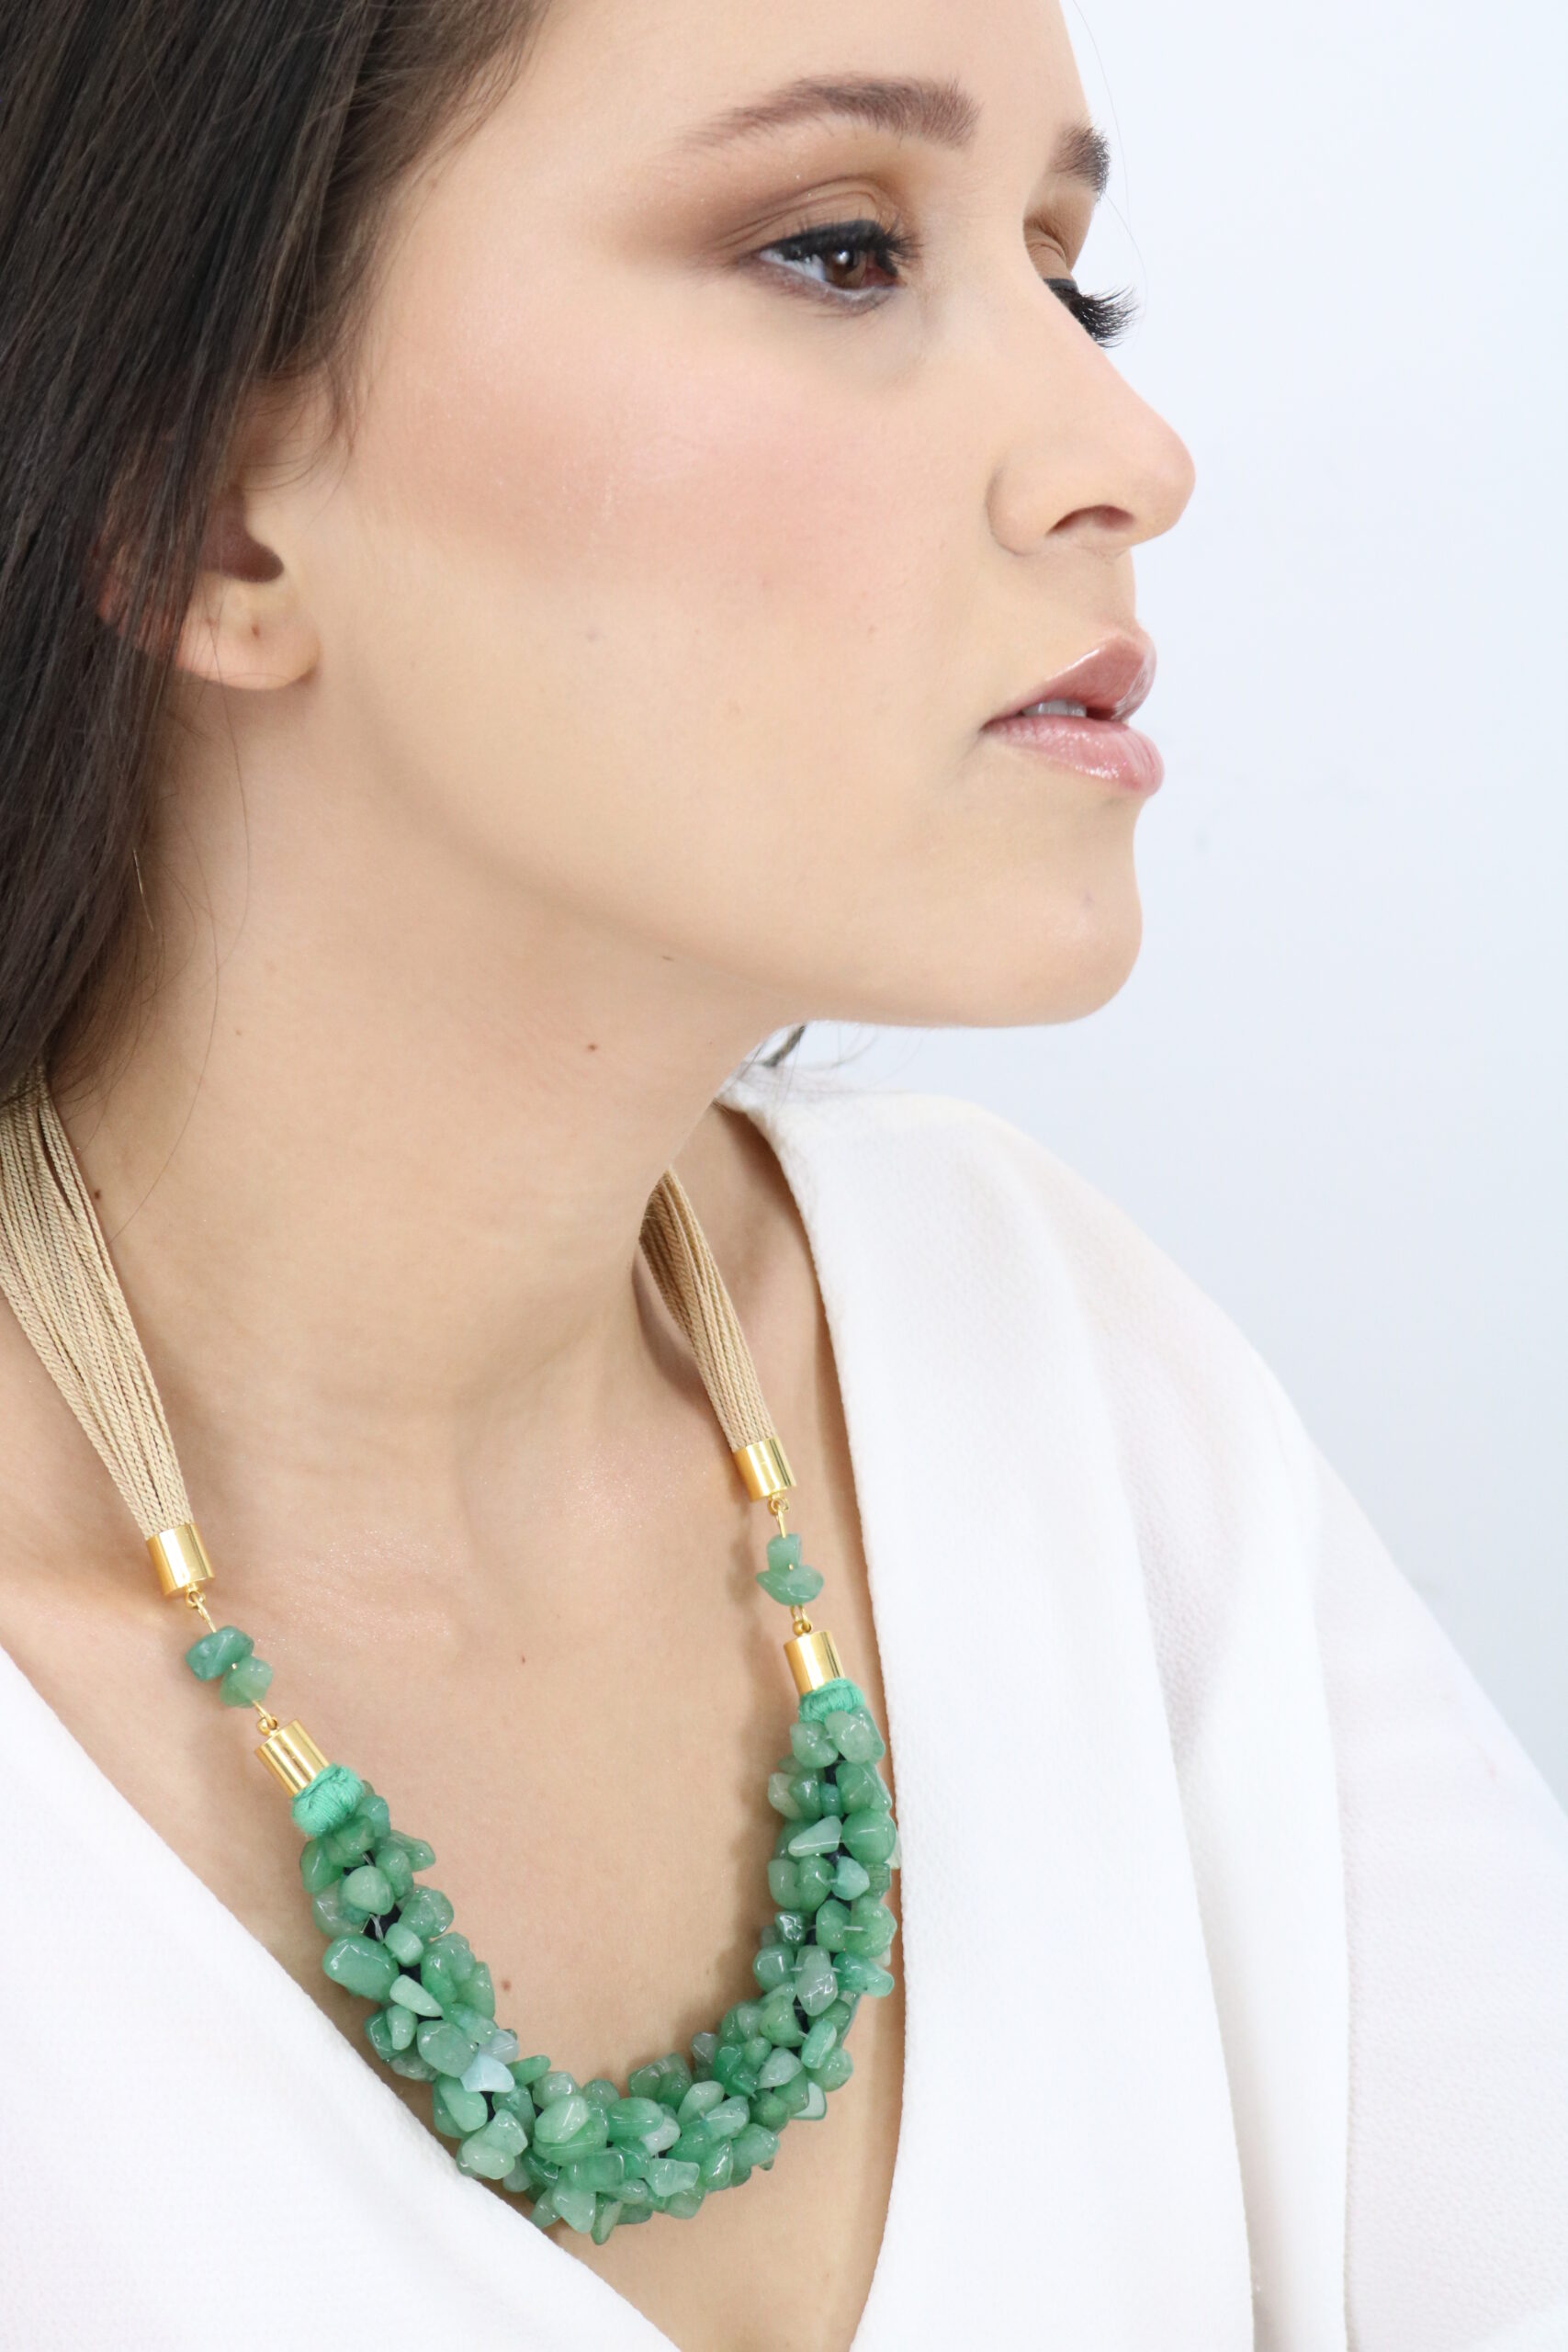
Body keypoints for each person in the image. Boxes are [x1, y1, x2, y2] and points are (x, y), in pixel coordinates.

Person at [0, 2, 1562, 2347]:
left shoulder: (1046, 1360)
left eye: (1067, 272)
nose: (1127, 450)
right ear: (197, 507)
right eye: (838, 250)